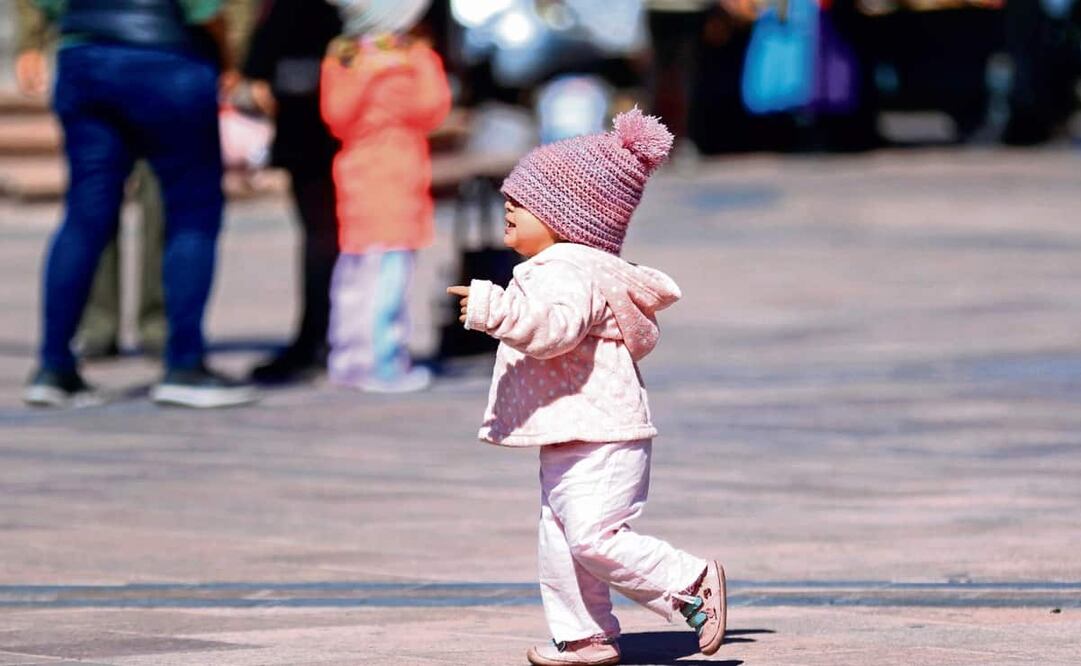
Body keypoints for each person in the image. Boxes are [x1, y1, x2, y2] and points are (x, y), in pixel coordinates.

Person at [447, 109, 726, 666]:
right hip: (579, 426)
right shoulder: (564, 264)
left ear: (565, 217)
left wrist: (491, 308)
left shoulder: (565, 269)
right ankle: (583, 635)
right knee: (562, 540)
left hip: (600, 430)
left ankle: (689, 582)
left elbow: (553, 332)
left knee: (593, 536)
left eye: (521, 202)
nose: (507, 205)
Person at [23, 0, 257, 409]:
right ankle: (184, 363)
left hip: (84, 59)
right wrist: (229, 58)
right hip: (165, 57)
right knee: (192, 216)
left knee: (84, 215)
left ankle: (53, 366)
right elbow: (205, 10)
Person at [14, 0, 167, 360]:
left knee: (156, 200)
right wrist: (31, 40)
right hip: (138, 53)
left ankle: (159, 323)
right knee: (94, 205)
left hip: (155, 51)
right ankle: (100, 323)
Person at [319, 0, 451, 393]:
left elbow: (432, 110)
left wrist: (411, 64)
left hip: (397, 174)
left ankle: (361, 356)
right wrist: (377, 74)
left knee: (376, 270)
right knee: (373, 272)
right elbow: (337, 117)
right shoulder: (345, 62)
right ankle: (377, 360)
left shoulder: (412, 57)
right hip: (368, 176)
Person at [242, 0, 344, 384]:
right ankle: (338, 336)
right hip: (347, 129)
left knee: (320, 235)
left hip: (306, 127)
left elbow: (258, 67)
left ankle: (317, 338)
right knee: (335, 235)